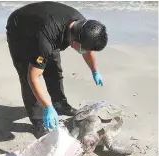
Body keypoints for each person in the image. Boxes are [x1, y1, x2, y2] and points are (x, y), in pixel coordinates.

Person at [6, 1, 108, 137]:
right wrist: (47, 108)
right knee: (26, 74)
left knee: (54, 68)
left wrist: (95, 71)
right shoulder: (45, 42)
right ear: (75, 41)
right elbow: (33, 77)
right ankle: (37, 120)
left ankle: (59, 103)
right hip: (20, 30)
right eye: (83, 48)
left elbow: (88, 50)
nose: (85, 51)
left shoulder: (84, 27)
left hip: (46, 26)